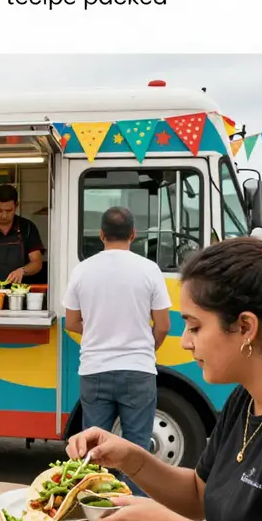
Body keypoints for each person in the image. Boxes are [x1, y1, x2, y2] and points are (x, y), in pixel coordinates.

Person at [67, 232, 262, 521]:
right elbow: (198, 493)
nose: (186, 342)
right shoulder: (247, 397)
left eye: (194, 326)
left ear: (246, 328)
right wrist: (130, 459)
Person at [63, 206, 171, 496]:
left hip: (95, 371)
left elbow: (71, 322)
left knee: (94, 452)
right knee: (136, 452)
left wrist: (99, 332)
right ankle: (133, 520)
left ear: (101, 235)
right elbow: (163, 325)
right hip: (138, 371)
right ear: (133, 235)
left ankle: (94, 512)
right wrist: (146, 345)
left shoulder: (82, 270)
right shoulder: (149, 269)